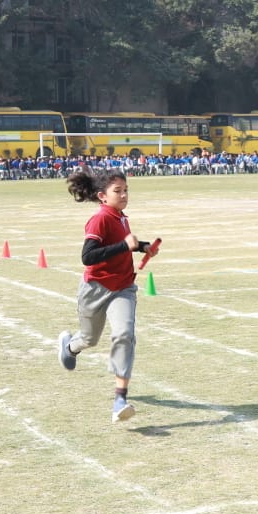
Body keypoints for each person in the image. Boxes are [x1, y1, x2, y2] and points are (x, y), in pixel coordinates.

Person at [56, 167, 159, 423]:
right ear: (102, 196)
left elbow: (121, 246)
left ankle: (120, 399)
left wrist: (142, 247)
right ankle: (69, 347)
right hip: (95, 289)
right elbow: (88, 256)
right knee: (89, 339)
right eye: (118, 191)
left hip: (123, 287)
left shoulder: (121, 217)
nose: (124, 195)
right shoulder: (100, 219)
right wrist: (125, 245)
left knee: (124, 334)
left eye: (126, 190)